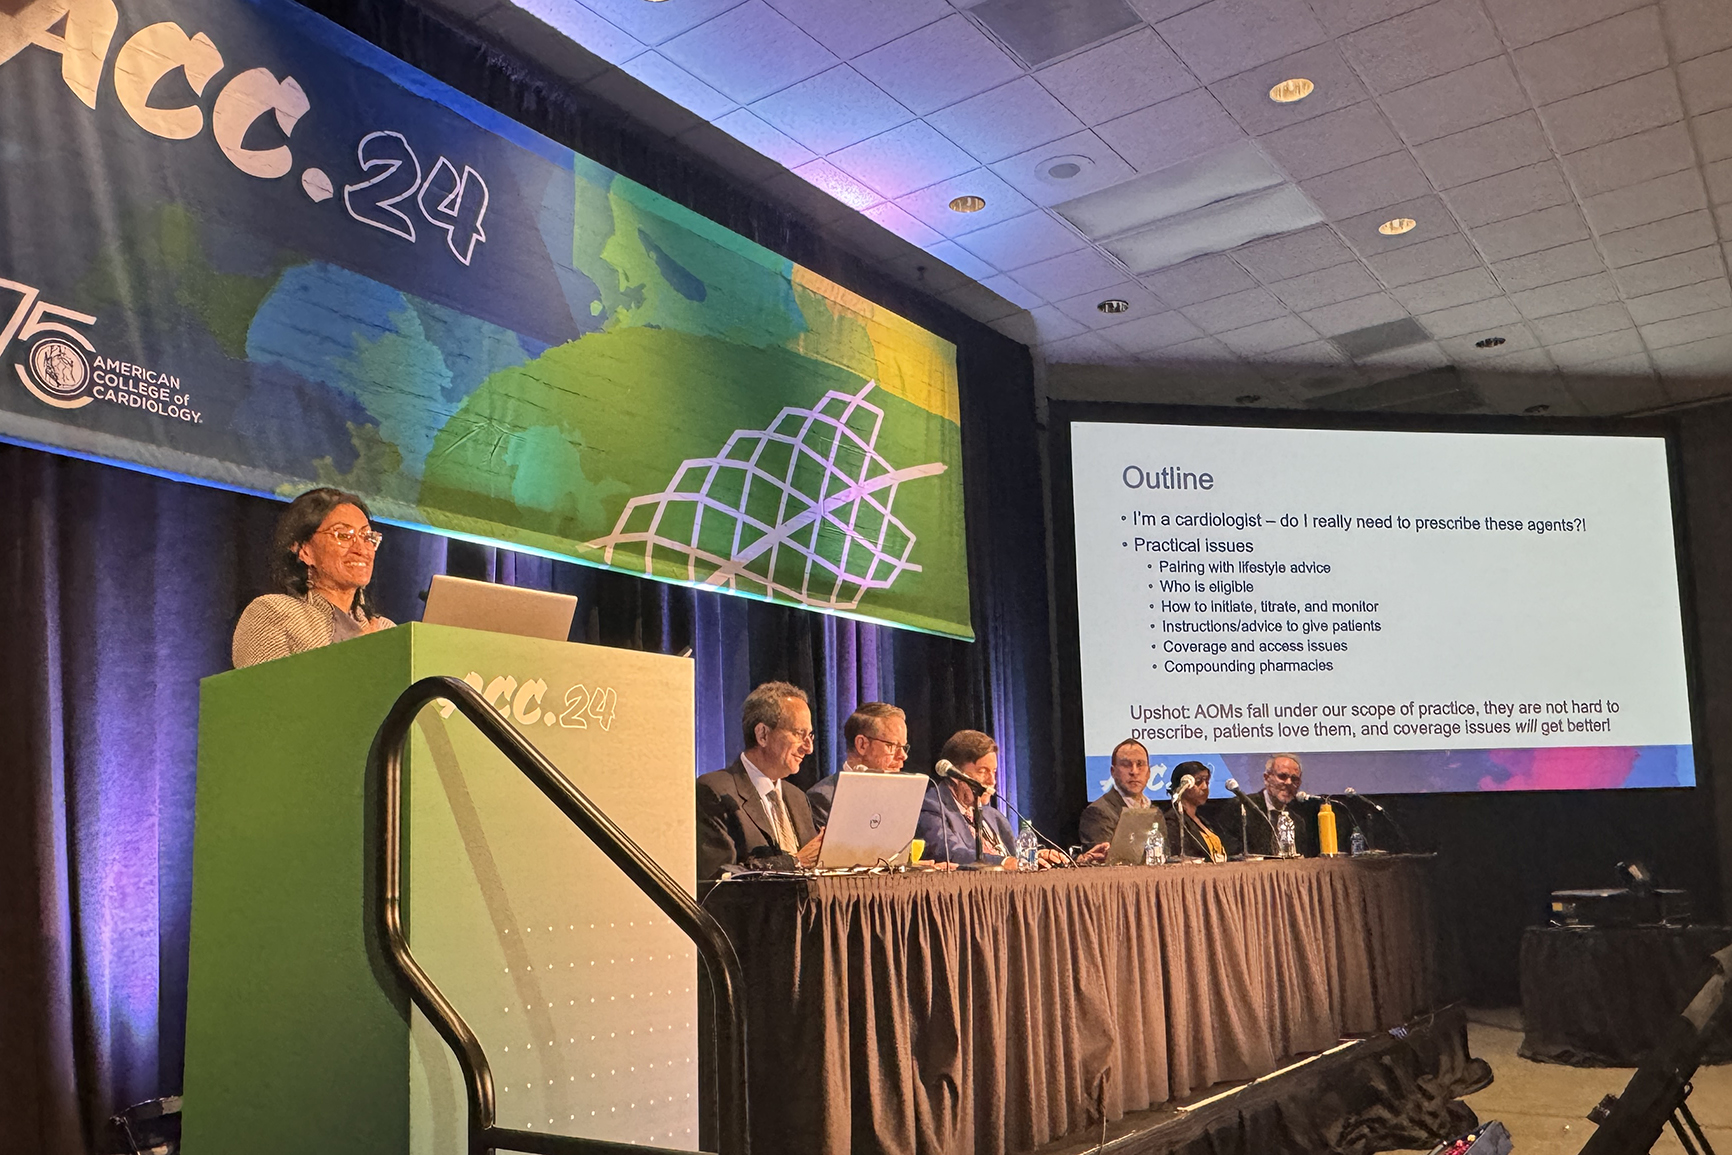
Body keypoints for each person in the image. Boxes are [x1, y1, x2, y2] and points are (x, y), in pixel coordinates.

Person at [232, 487, 394, 668]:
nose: (362, 549)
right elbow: (266, 692)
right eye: (343, 535)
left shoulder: (386, 629)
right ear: (304, 550)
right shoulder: (273, 613)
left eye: (367, 537)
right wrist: (353, 658)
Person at [695, 681, 824, 881]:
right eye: (800, 734)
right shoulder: (715, 790)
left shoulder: (797, 797)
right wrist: (795, 863)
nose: (809, 748)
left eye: (810, 736)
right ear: (762, 734)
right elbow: (719, 878)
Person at [914, 729, 1018, 867]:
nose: (992, 781)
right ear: (955, 774)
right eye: (982, 771)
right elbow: (949, 852)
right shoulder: (932, 807)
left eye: (993, 771)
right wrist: (1003, 862)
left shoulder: (993, 816)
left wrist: (1034, 857)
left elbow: (1015, 856)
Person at [805, 701, 908, 828]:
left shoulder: (902, 797)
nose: (903, 755)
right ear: (862, 745)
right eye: (892, 745)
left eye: (903, 747)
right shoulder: (823, 798)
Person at [1078, 738, 1154, 847]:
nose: (1134, 772)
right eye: (1126, 764)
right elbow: (1103, 860)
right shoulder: (1098, 813)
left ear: (1149, 772)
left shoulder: (1155, 812)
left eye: (1140, 764)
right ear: (1113, 772)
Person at [1240, 752, 1312, 857]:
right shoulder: (1244, 808)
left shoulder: (1297, 822)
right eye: (1282, 776)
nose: (1288, 783)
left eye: (1294, 779)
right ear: (1266, 778)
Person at [1164, 760, 1230, 863]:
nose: (1204, 787)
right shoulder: (1173, 820)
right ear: (1183, 785)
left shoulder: (1205, 819)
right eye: (1198, 781)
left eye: (1207, 781)